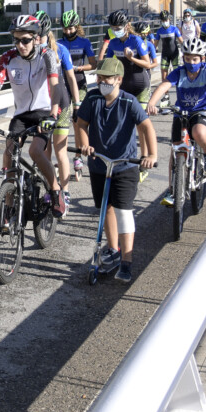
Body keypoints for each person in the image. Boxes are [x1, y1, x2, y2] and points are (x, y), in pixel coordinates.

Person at [74, 57, 159, 283]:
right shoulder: (92, 98)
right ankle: (113, 249)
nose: (101, 81)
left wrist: (151, 155)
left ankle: (126, 261)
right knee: (106, 208)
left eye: (106, 78)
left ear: (119, 80)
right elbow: (81, 124)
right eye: (99, 77)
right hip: (99, 163)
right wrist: (84, 145)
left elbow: (147, 127)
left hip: (125, 165)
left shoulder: (129, 102)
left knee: (123, 210)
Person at [0, 14, 66, 217]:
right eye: (16, 40)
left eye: (25, 40)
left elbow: (55, 85)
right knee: (9, 152)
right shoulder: (8, 58)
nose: (20, 45)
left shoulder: (47, 55)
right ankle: (8, 205)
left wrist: (52, 114)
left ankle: (55, 190)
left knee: (35, 151)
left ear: (36, 38)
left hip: (45, 111)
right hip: (22, 114)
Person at [146, 37, 206, 205]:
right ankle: (172, 189)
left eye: (195, 59)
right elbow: (163, 86)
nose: (191, 63)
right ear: (183, 58)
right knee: (176, 149)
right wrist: (152, 104)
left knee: (199, 132)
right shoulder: (179, 72)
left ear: (202, 59)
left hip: (203, 110)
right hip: (181, 112)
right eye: (188, 59)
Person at [38, 11, 79, 203]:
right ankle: (51, 189)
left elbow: (71, 78)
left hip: (61, 101)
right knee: (45, 152)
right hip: (42, 104)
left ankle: (66, 191)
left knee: (59, 151)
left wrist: (77, 104)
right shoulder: (31, 51)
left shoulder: (61, 49)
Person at [58, 10, 96, 180]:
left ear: (77, 27)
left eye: (71, 28)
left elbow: (93, 64)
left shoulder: (84, 42)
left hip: (79, 83)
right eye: (65, 29)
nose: (68, 31)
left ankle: (78, 156)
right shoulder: (58, 44)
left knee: (78, 121)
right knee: (62, 122)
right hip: (63, 84)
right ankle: (62, 157)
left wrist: (79, 68)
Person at [99, 10, 155, 102]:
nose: (115, 31)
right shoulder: (113, 43)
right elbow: (108, 63)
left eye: (118, 28)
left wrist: (131, 58)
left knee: (141, 111)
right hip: (124, 85)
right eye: (113, 28)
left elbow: (147, 64)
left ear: (127, 25)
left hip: (141, 85)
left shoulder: (136, 40)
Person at [154, 10, 183, 84]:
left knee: (177, 72)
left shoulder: (174, 29)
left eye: (166, 20)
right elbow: (155, 43)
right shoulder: (159, 31)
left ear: (169, 19)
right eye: (163, 20)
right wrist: (151, 53)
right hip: (165, 54)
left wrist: (185, 50)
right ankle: (165, 90)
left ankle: (178, 87)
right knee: (164, 73)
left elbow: (181, 41)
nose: (164, 22)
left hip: (174, 53)